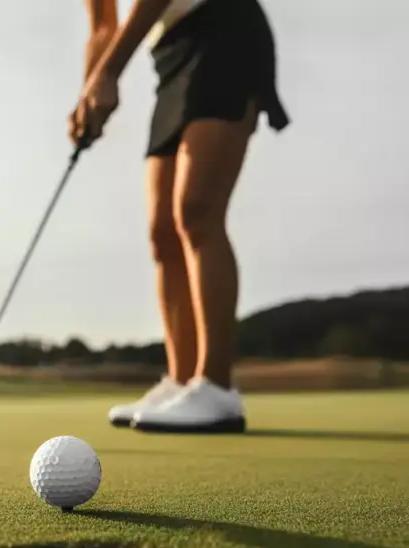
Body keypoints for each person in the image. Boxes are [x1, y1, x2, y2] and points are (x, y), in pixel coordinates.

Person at [71, 0, 289, 433]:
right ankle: (183, 380)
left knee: (196, 211)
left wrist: (108, 73)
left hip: (224, 30)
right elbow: (102, 28)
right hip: (170, 56)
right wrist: (88, 96)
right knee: (163, 233)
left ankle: (216, 387)